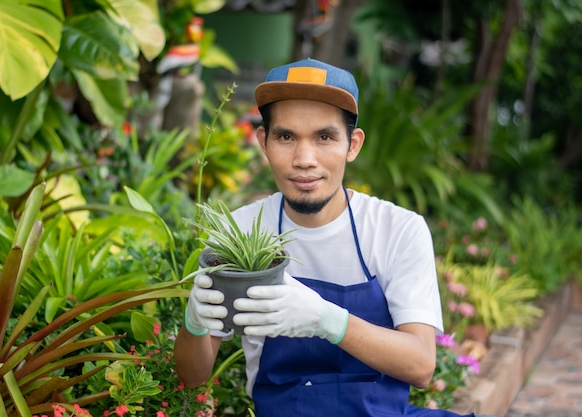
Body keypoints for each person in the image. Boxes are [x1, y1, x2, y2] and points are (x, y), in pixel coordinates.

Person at [174, 58, 479, 416]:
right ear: (263, 142)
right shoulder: (238, 233)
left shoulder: (397, 229)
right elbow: (192, 377)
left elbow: (421, 366)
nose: (304, 159)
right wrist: (195, 322)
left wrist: (325, 321)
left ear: (352, 144)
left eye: (324, 137)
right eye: (286, 137)